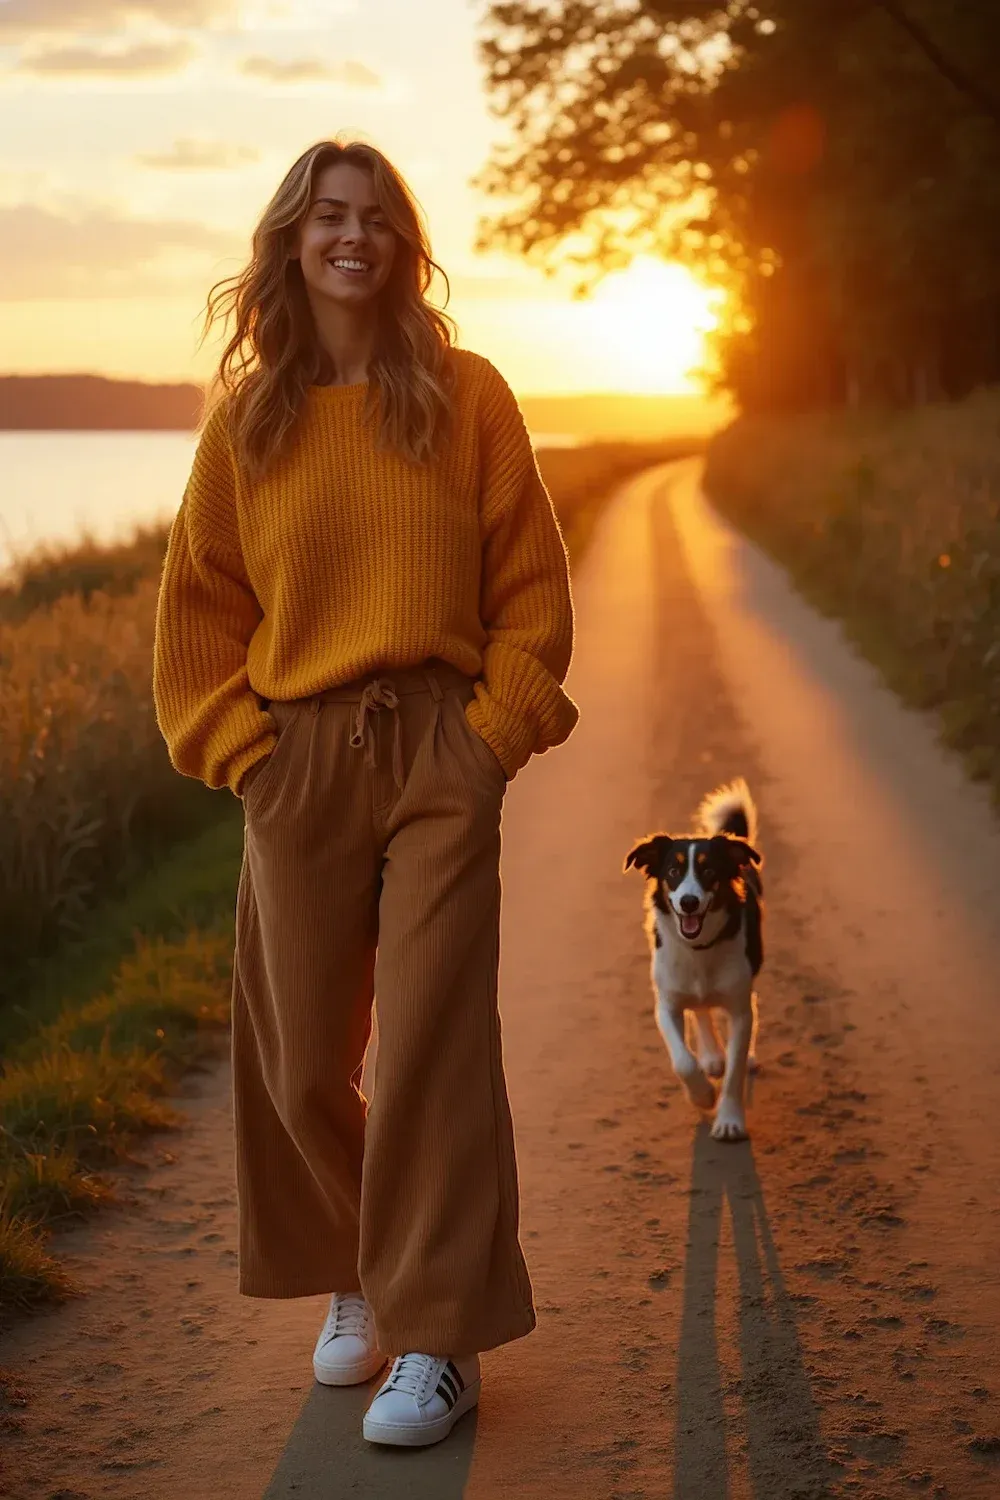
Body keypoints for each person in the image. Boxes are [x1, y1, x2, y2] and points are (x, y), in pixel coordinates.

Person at [152, 138, 578, 1449]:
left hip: (439, 750)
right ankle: (358, 1270)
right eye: (328, 217)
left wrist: (492, 737)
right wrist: (243, 751)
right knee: (297, 1061)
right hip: (297, 762)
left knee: (438, 1049)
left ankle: (437, 1339)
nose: (353, 237)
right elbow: (199, 616)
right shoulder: (250, 422)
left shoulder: (467, 395)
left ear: (403, 247)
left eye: (376, 219)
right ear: (289, 241)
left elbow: (531, 591)